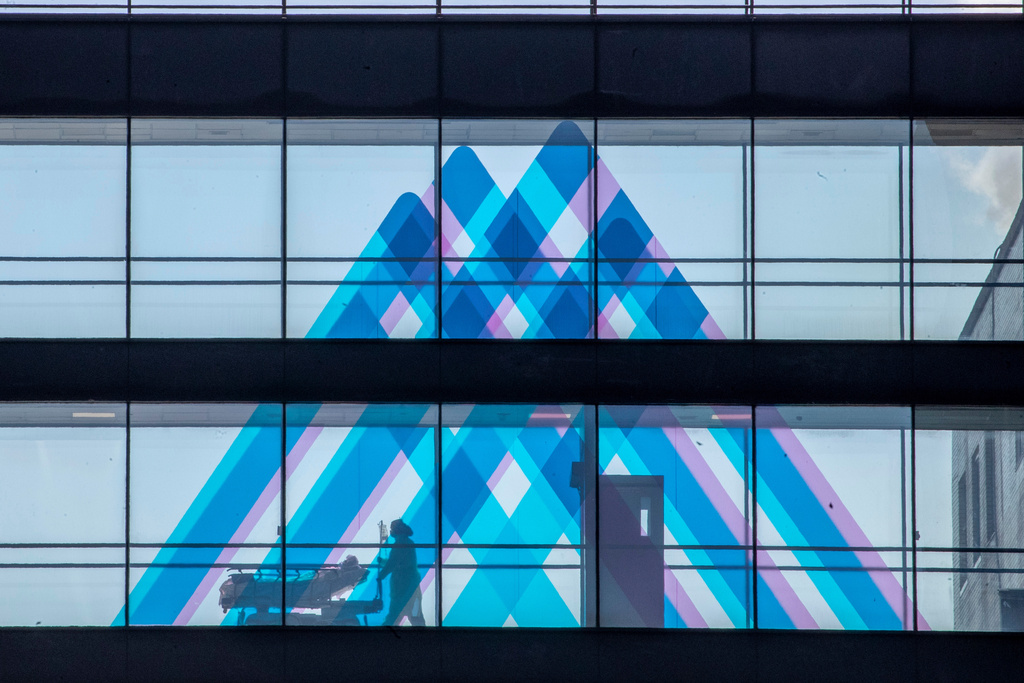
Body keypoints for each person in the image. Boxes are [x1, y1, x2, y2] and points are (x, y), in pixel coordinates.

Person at [378, 518, 425, 626]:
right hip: (412, 586)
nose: (391, 531)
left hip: (403, 586)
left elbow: (393, 563)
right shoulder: (408, 542)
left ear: (397, 530)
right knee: (416, 616)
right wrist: (383, 562)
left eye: (392, 528)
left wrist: (381, 575)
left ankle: (384, 634)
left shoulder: (400, 543)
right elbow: (399, 562)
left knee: (394, 615)